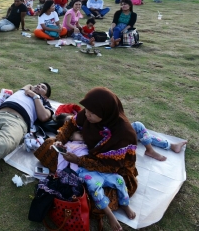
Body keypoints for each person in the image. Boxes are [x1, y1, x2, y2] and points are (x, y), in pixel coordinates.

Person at [51, 88, 138, 231]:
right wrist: (60, 140)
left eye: (92, 113)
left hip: (112, 167)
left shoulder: (123, 134)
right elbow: (70, 125)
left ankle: (124, 204)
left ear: (105, 112)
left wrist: (78, 161)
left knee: (109, 190)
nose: (87, 115)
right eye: (86, 111)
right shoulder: (88, 113)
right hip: (87, 157)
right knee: (49, 145)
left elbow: (111, 167)